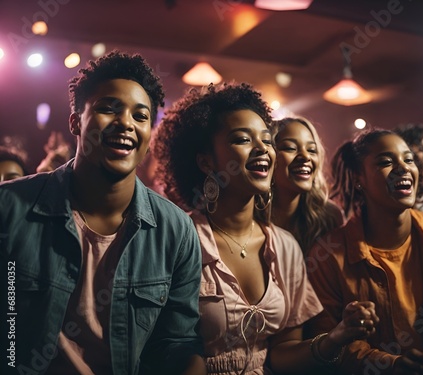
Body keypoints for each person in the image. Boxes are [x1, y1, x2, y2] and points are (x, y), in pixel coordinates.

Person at [0, 51, 205, 374]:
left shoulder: (176, 230)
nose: (125, 122)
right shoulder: (9, 208)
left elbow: (177, 343)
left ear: (149, 137)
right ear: (74, 122)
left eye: (140, 116)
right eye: (108, 109)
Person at [153, 82, 379, 375]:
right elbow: (164, 348)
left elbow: (282, 355)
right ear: (206, 161)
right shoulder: (181, 239)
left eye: (267, 140)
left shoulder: (284, 247)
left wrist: (336, 337)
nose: (262, 149)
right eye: (242, 140)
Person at [307, 129, 423, 374]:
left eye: (408, 159)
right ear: (359, 178)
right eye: (386, 162)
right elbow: (327, 347)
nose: (402, 168)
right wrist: (389, 364)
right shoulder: (328, 256)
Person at [270, 116, 343, 254]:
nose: (305, 157)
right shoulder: (247, 217)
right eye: (290, 148)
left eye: (311, 150)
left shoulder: (330, 217)